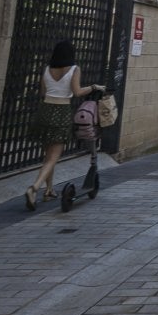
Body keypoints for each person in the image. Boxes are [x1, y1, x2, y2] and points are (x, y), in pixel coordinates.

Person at [25, 41, 103, 210]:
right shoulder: (74, 69)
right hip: (61, 111)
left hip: (45, 110)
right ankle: (34, 188)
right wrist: (94, 87)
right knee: (54, 157)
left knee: (48, 155)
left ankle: (49, 190)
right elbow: (77, 92)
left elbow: (43, 92)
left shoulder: (47, 69)